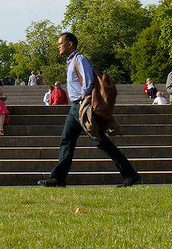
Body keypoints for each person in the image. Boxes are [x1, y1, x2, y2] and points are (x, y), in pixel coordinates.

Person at [38, 33, 140, 188]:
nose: (58, 46)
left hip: (82, 105)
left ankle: (130, 174)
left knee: (99, 140)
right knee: (67, 139)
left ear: (70, 44)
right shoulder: (71, 60)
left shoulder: (79, 59)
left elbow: (88, 81)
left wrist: (85, 100)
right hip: (75, 107)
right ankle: (58, 178)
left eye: (61, 43)